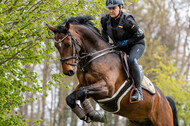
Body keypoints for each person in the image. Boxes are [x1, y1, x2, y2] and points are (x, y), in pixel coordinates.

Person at [101, 0, 145, 101]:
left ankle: (139, 91)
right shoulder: (105, 20)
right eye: (110, 9)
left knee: (132, 61)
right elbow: (104, 31)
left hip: (136, 45)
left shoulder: (127, 20)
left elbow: (140, 35)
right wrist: (106, 45)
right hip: (119, 46)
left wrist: (124, 43)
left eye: (114, 8)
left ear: (120, 7)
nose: (111, 11)